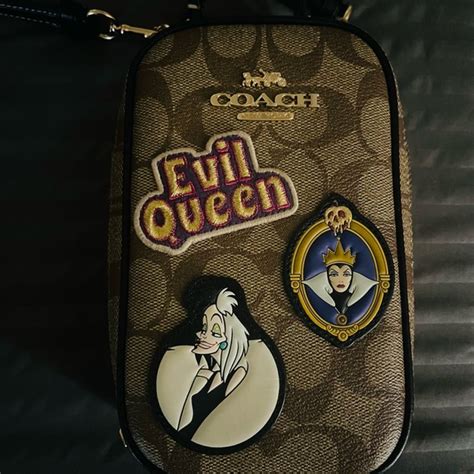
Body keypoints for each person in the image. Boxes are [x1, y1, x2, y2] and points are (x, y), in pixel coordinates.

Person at [177, 287, 249, 439]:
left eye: (214, 331)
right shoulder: (205, 372)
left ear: (228, 337)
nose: (202, 335)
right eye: (204, 327)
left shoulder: (238, 373)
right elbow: (182, 422)